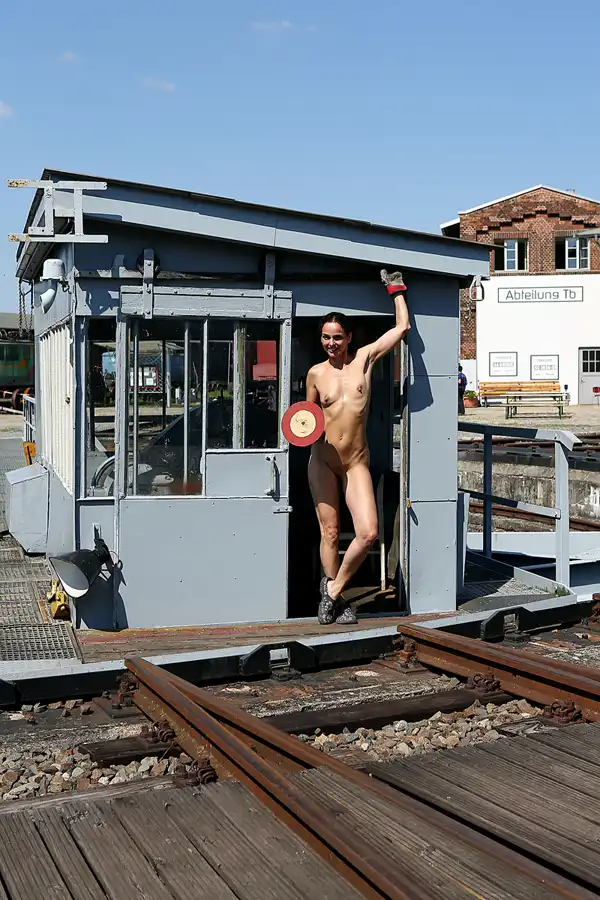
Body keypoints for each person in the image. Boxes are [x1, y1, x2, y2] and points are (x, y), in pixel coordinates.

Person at [306, 270, 410, 625]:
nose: (331, 343)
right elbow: (305, 419)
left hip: (354, 463)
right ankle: (337, 603)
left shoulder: (364, 359)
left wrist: (395, 288)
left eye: (337, 337)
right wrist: (305, 431)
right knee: (330, 533)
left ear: (349, 337)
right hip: (322, 460)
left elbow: (401, 329)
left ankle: (332, 591)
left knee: (368, 532)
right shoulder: (315, 374)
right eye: (325, 338)